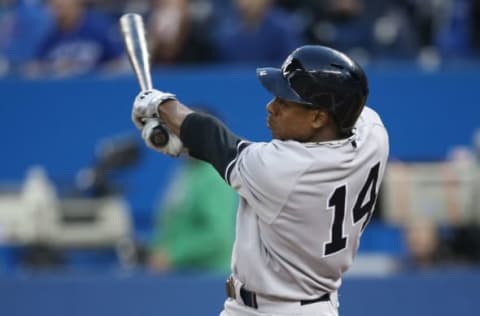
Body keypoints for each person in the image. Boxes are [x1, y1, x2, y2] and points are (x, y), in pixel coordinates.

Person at [131, 45, 389, 316]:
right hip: (283, 304)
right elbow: (352, 101)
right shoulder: (373, 134)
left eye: (285, 102)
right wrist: (185, 143)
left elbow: (214, 140)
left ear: (318, 117)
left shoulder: (283, 170)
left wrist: (162, 105)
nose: (271, 106)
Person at [147, 157, 237, 273]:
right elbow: (172, 224)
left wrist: (173, 254)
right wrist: (153, 249)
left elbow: (219, 237)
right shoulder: (185, 171)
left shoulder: (215, 176)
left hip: (209, 280)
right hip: (179, 277)